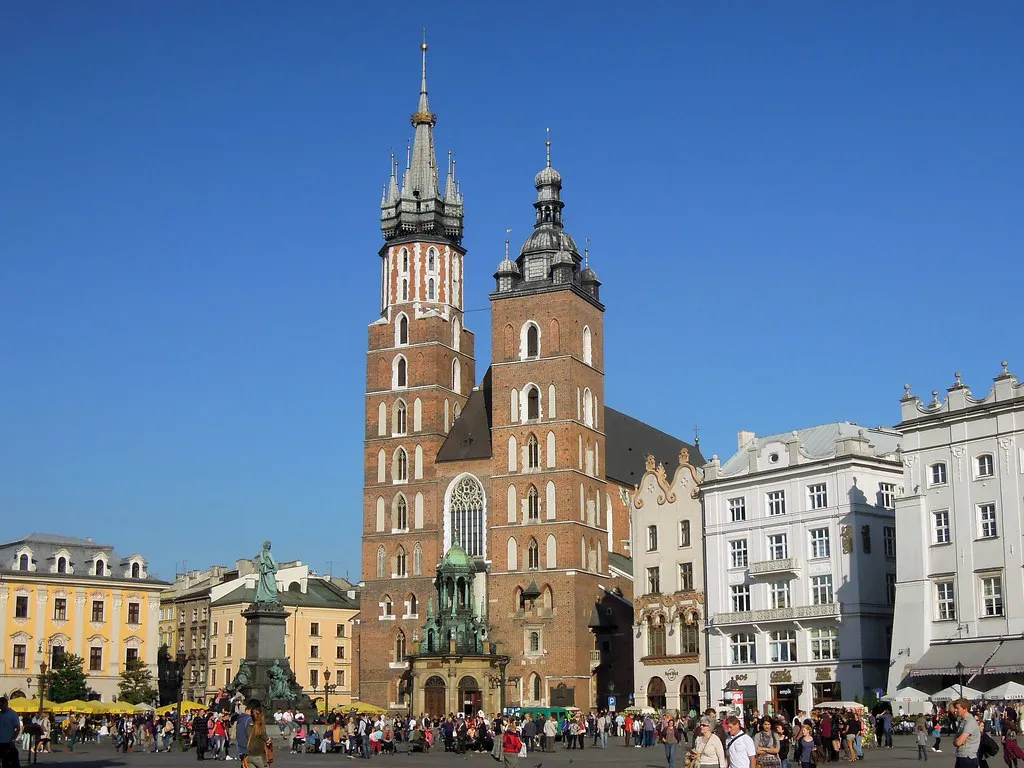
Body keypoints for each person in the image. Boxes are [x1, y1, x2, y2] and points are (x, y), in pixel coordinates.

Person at [952, 699, 981, 768]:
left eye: (957, 708)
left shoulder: (970, 722)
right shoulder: (963, 721)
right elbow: (956, 740)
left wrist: (957, 741)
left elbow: (958, 742)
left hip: (967, 758)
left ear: (965, 709)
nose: (955, 710)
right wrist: (957, 741)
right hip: (962, 756)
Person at [0, 698, 22, 768]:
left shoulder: (12, 714)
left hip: (7, 742)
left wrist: (13, 739)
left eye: (1, 705)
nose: (0, 707)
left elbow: (18, 728)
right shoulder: (0, 714)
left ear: (5, 704)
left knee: (7, 762)